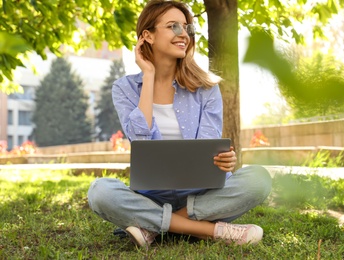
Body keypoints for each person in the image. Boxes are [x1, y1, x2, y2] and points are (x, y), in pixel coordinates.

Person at [88, 0, 272, 247]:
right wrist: (149, 76)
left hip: (201, 195)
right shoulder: (125, 88)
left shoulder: (206, 88)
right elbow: (140, 141)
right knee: (100, 191)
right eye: (173, 26)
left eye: (186, 28)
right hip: (150, 196)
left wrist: (224, 161)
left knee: (258, 178)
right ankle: (212, 231)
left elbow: (207, 150)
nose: (183, 34)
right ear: (147, 36)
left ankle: (152, 228)